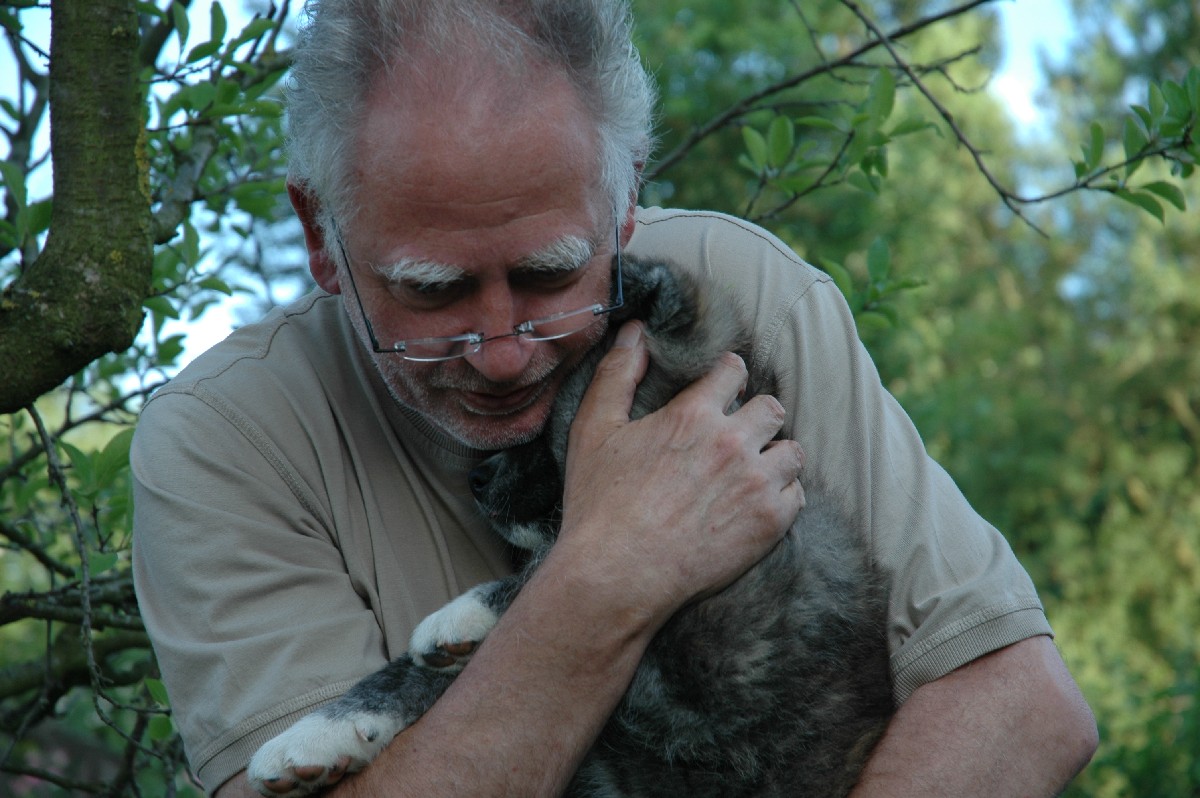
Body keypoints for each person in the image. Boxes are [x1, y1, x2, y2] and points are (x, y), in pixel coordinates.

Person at [131, 1, 1098, 795]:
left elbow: (1022, 707)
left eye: (550, 276)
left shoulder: (731, 296)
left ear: (626, 198)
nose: (502, 352)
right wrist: (610, 571)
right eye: (433, 291)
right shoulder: (222, 441)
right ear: (319, 235)